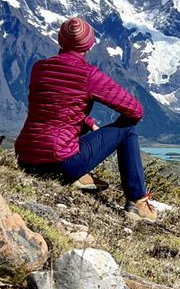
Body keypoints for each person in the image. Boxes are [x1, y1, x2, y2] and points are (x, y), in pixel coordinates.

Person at [15, 16, 158, 221]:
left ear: (60, 40)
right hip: (61, 162)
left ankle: (79, 177)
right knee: (127, 129)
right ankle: (137, 201)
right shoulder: (88, 74)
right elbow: (135, 110)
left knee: (62, 133)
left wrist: (87, 122)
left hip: (26, 158)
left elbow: (53, 110)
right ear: (89, 45)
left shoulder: (40, 68)